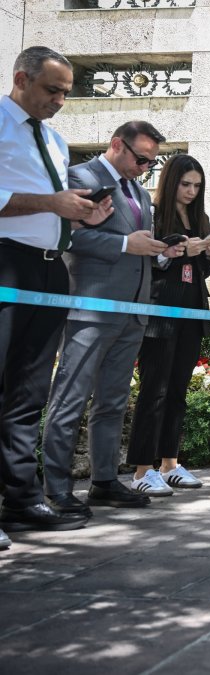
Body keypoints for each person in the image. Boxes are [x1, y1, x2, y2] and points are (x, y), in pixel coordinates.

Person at [0, 47, 113, 540]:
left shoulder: (55, 140)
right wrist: (51, 202)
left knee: (28, 393)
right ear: (21, 78)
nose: (60, 101)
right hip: (6, 262)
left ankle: (21, 500)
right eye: (52, 90)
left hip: (49, 270)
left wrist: (83, 215)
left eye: (66, 92)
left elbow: (53, 208)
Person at [40, 120, 176, 515]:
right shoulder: (80, 177)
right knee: (70, 398)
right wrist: (123, 244)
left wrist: (162, 253)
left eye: (151, 162)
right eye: (141, 159)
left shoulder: (140, 193)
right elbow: (66, 235)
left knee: (113, 402)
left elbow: (138, 247)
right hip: (90, 307)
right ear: (117, 144)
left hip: (133, 310)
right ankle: (56, 489)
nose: (144, 168)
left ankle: (103, 482)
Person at [128, 155, 210, 494]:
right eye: (185, 184)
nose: (191, 191)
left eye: (197, 185)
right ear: (170, 182)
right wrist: (178, 251)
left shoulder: (200, 218)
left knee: (178, 391)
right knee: (154, 390)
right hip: (160, 311)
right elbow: (149, 263)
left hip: (192, 312)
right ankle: (141, 471)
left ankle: (170, 465)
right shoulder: (152, 214)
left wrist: (207, 252)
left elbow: (202, 273)